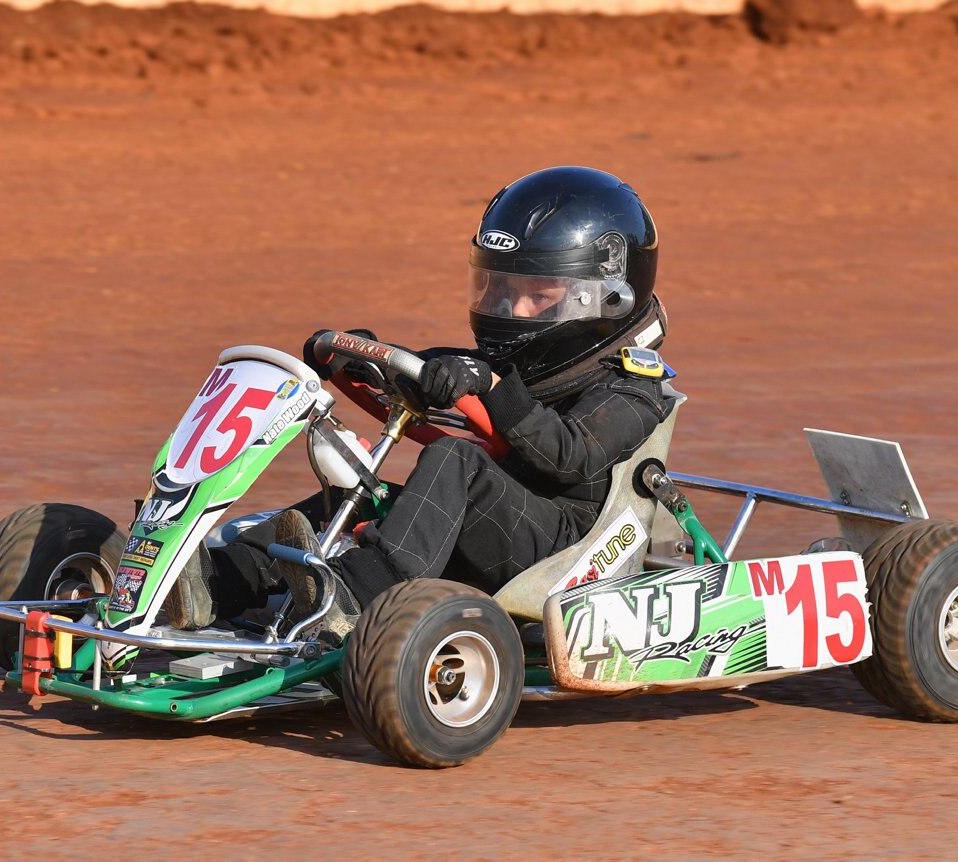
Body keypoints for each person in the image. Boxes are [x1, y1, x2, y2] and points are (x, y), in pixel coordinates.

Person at [166, 166, 676, 641]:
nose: (510, 310)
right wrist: (368, 358)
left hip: (565, 554)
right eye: (499, 289)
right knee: (361, 494)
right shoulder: (526, 366)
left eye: (536, 297)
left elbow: (570, 454)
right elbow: (437, 366)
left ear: (608, 297)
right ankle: (218, 582)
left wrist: (492, 388)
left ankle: (351, 599)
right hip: (498, 532)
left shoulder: (632, 389)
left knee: (459, 462)